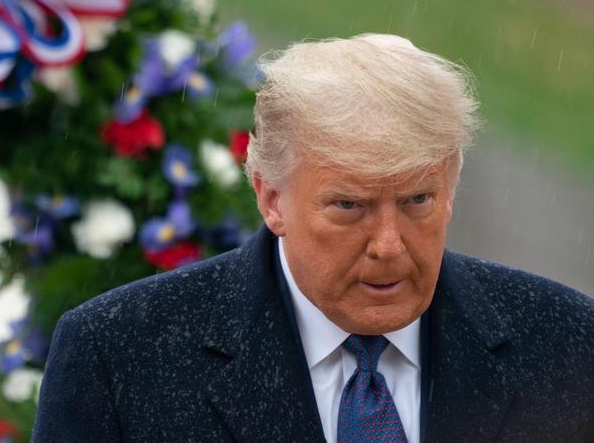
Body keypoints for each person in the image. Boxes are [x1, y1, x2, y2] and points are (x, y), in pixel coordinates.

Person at [32, 34, 594, 442]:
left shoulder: (567, 343)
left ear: (451, 185)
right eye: (349, 205)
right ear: (270, 197)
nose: (389, 244)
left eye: (417, 200)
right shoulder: (120, 357)